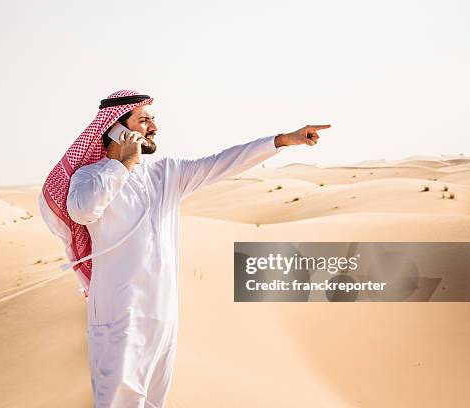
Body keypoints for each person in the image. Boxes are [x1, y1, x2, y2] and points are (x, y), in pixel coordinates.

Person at [39, 89, 330, 407]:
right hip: (119, 318)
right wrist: (121, 166)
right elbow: (83, 210)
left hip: (163, 318)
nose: (154, 127)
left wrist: (283, 140)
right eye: (144, 119)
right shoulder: (89, 177)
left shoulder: (166, 174)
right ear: (114, 128)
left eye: (153, 119)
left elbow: (222, 163)